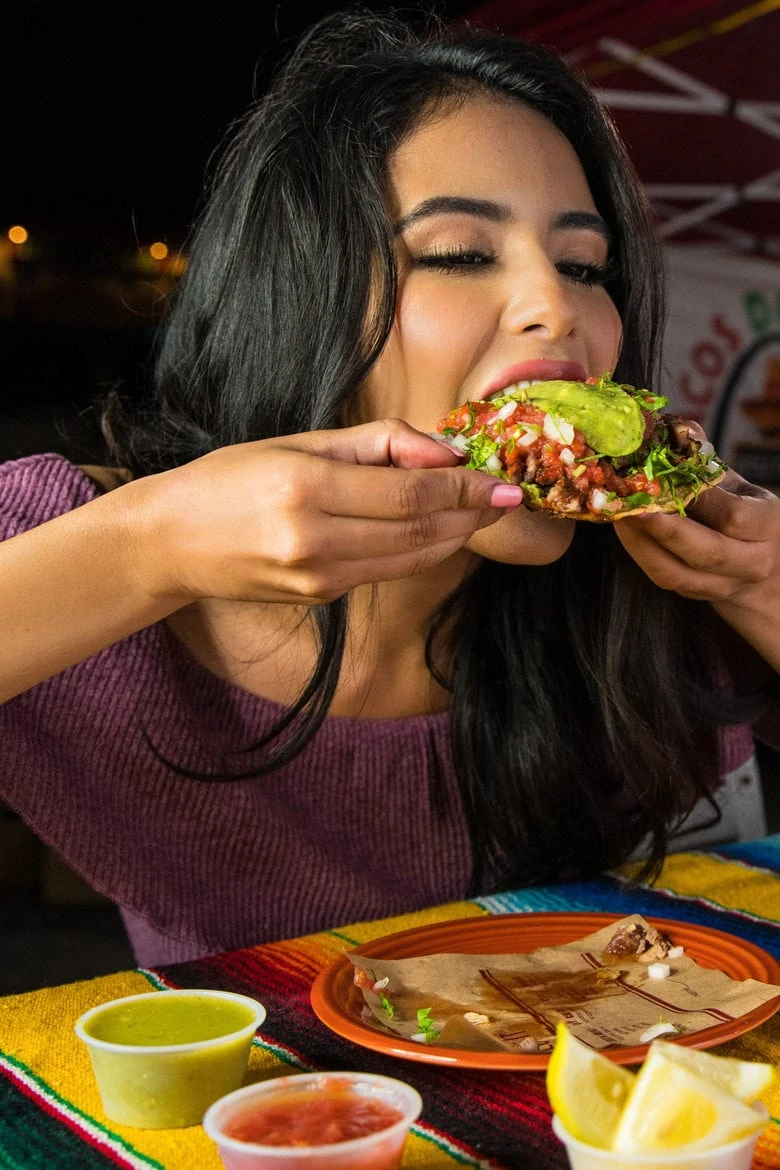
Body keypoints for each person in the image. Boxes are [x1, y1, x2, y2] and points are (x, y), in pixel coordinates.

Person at [1, 8, 777, 968]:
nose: (557, 306)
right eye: (458, 253)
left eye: (585, 265)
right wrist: (148, 548)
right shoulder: (76, 537)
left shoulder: (669, 585)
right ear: (303, 297)